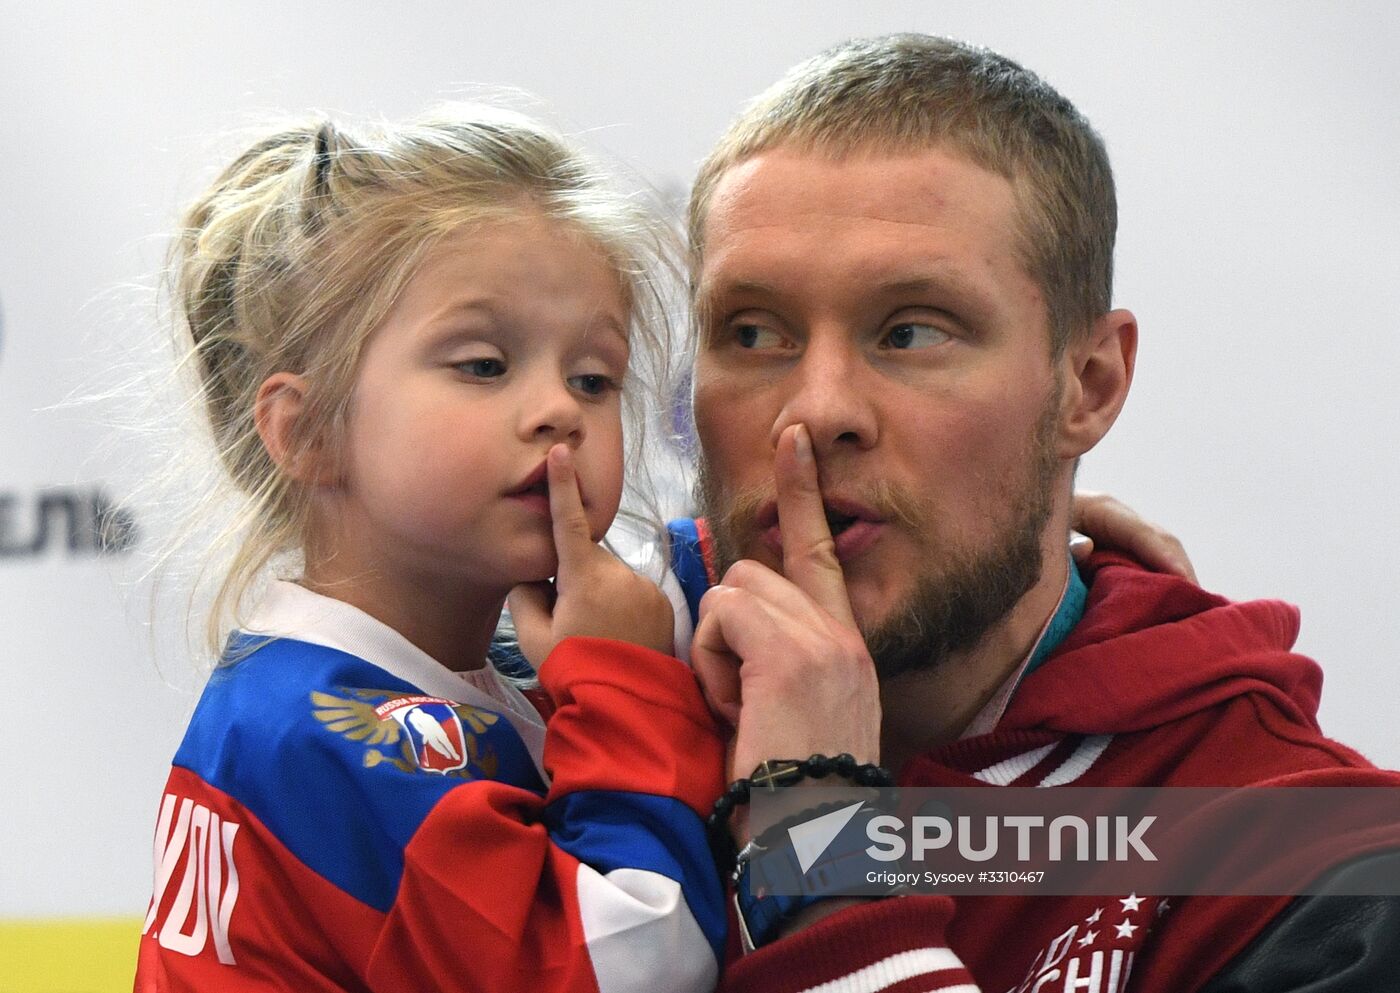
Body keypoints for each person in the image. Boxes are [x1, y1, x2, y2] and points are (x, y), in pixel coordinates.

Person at [670, 34, 1400, 992]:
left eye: (911, 331)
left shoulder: (1318, 876)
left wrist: (812, 837)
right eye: (753, 333)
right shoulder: (553, 710)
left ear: (1087, 387)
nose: (815, 410)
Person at [134, 108, 730, 992]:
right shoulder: (325, 733)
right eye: (484, 364)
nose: (559, 410)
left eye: (594, 378)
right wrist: (627, 683)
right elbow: (638, 967)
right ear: (307, 435)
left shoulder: (421, 675)